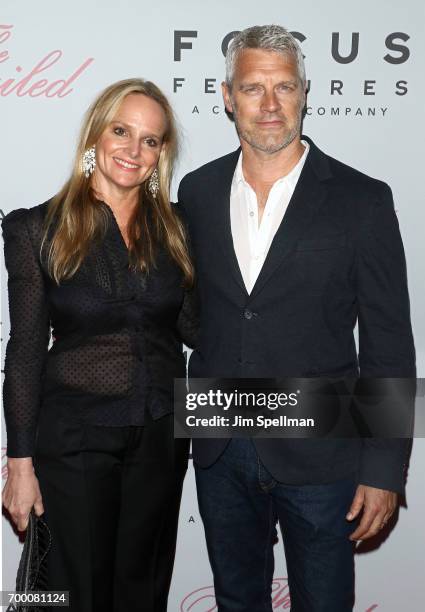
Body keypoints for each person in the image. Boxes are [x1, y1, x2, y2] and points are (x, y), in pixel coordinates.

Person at [178, 25, 415, 611]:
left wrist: (385, 468)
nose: (269, 104)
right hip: (219, 443)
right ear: (227, 95)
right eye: (253, 87)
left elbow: (389, 343)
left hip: (323, 448)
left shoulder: (364, 199)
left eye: (283, 87)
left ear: (306, 92)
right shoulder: (198, 191)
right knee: (237, 600)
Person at [2, 78, 197, 612]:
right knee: (72, 593)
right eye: (121, 131)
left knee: (142, 589)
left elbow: (197, 329)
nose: (134, 150)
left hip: (161, 435)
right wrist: (20, 463)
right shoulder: (36, 229)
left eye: (151, 140)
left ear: (162, 154)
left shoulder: (178, 228)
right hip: (74, 439)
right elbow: (23, 350)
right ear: (95, 135)